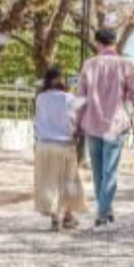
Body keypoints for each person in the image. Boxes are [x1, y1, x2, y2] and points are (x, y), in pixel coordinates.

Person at [76, 27, 134, 229]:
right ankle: (103, 214)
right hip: (115, 125)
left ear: (98, 43)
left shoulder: (88, 65)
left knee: (98, 172)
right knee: (109, 171)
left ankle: (104, 211)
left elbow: (80, 98)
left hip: (92, 124)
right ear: (115, 43)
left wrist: (75, 123)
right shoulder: (125, 65)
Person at [34, 65, 87, 232]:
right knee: (69, 181)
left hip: (44, 146)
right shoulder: (68, 98)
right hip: (64, 145)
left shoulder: (40, 98)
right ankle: (68, 216)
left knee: (49, 181)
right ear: (61, 80)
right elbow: (77, 117)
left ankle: (55, 218)